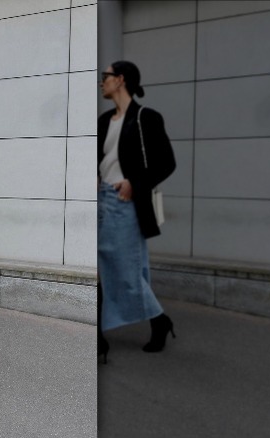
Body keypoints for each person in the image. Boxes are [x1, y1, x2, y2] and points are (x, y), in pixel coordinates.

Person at [97, 60, 177, 363]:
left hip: (123, 202)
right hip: (102, 199)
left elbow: (166, 162)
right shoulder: (105, 120)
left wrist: (135, 183)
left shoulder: (146, 118)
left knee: (124, 269)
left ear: (120, 80)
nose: (101, 82)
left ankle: (159, 320)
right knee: (104, 268)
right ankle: (102, 339)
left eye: (105, 77)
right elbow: (101, 159)